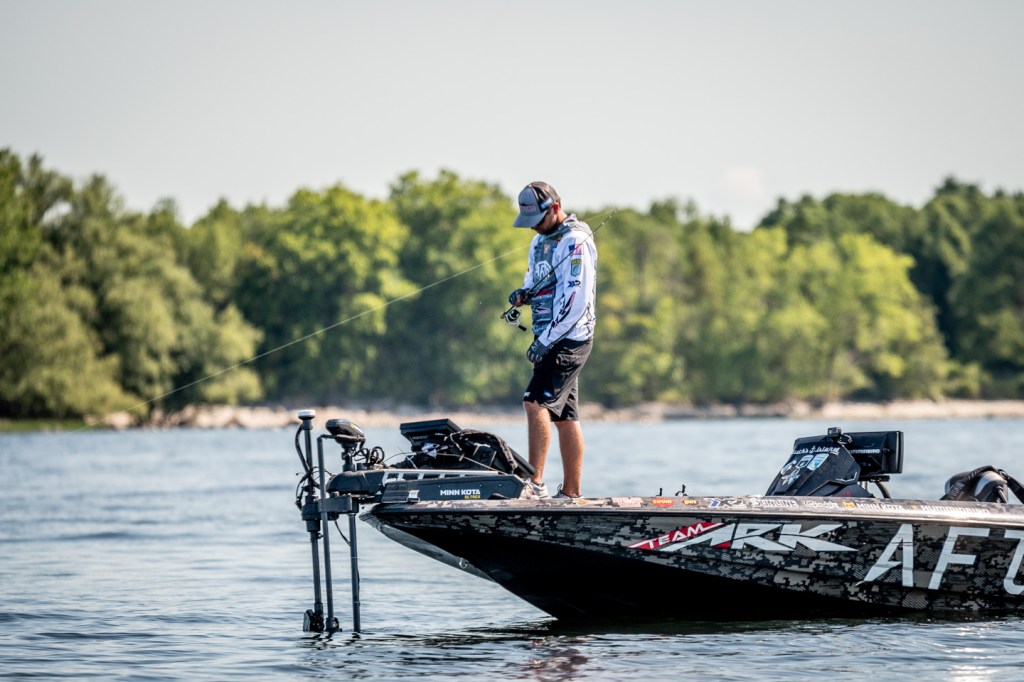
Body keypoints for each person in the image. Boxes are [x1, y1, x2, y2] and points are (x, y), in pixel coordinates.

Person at [508, 181, 597, 499]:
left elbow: (577, 301)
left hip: (569, 337)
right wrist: (524, 294)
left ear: (555, 208)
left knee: (534, 402)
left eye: (537, 220)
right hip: (548, 335)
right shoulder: (538, 242)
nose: (534, 227)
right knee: (565, 416)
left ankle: (534, 484)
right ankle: (571, 493)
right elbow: (535, 277)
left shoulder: (575, 241)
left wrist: (546, 340)